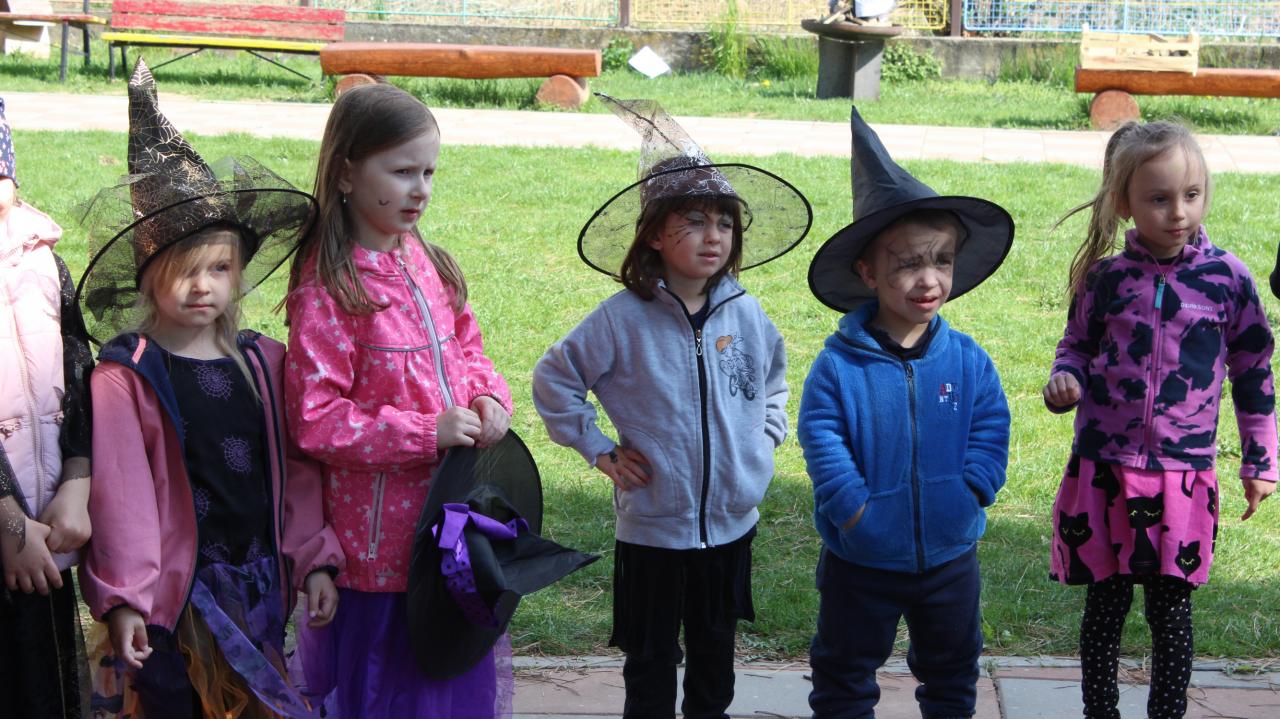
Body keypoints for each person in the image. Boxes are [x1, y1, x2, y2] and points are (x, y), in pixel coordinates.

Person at [77, 59, 343, 719]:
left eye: (219, 267)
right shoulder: (128, 375)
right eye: (184, 269)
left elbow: (299, 472)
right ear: (148, 275)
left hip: (258, 587)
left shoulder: (264, 362)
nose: (203, 286)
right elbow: (122, 499)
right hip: (176, 600)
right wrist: (126, 598)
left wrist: (312, 559)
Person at [533, 95, 813, 719]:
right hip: (653, 529)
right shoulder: (620, 320)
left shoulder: (746, 313)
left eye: (724, 223)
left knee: (716, 653)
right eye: (693, 221)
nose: (713, 236)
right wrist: (598, 449)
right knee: (651, 659)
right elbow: (555, 379)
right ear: (656, 234)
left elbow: (773, 378)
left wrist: (765, 436)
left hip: (731, 525)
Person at [284, 82, 515, 718]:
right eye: (402, 171)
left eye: (429, 172)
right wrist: (424, 432)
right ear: (346, 173)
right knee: (389, 694)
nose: (420, 189)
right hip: (379, 555)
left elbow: (467, 346)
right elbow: (315, 420)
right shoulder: (329, 291)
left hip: (449, 528)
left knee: (445, 687)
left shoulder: (426, 262)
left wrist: (487, 395)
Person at [1043, 120, 1277, 719]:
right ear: (1124, 202)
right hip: (1105, 471)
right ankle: (1100, 712)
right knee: (1104, 608)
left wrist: (1260, 460)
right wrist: (1064, 380)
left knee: (1171, 612)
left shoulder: (1229, 281)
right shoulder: (1105, 278)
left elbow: (1254, 372)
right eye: (1159, 198)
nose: (1178, 212)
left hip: (1182, 476)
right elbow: (1076, 346)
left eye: (1191, 195)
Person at [800, 107, 1013, 719]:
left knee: (953, 673)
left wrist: (972, 489)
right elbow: (822, 438)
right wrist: (854, 512)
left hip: (950, 555)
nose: (929, 279)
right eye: (908, 264)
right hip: (860, 557)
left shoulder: (967, 360)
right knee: (844, 675)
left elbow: (990, 425)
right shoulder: (838, 367)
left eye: (941, 260)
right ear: (868, 272)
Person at [0, 95, 96, 718]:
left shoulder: (45, 265)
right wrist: (6, 520)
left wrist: (78, 480)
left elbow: (80, 369)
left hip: (44, 528)